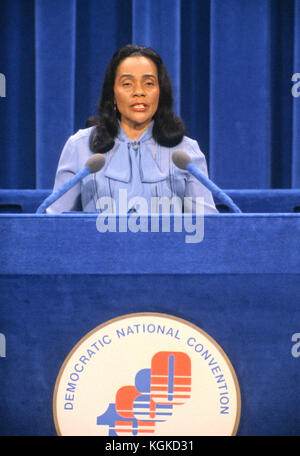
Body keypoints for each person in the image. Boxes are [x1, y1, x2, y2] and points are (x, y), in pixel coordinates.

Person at [46, 44, 218, 214]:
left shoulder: (186, 151)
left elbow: (208, 226)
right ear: (112, 93)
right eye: (127, 84)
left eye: (149, 83)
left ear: (161, 92)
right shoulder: (80, 146)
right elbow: (53, 226)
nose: (139, 92)